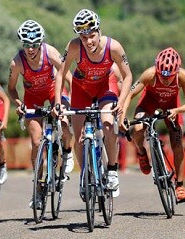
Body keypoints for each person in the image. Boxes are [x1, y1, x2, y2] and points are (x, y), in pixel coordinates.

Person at [54, 9, 133, 198]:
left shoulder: (114, 47)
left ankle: (112, 171)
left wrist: (121, 102)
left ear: (99, 31)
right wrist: (58, 102)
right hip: (82, 89)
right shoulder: (73, 47)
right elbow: (60, 73)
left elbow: (128, 75)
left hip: (106, 86)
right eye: (83, 38)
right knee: (79, 138)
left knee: (108, 124)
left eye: (92, 36)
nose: (88, 42)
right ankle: (85, 176)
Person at [7, 19, 74, 208]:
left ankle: (67, 152)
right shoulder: (17, 63)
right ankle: (37, 191)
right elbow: (11, 88)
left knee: (64, 121)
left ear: (40, 43)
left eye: (34, 44)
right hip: (32, 97)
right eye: (26, 45)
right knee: (36, 142)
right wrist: (19, 103)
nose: (30, 49)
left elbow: (68, 77)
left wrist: (66, 103)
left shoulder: (51, 53)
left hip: (55, 91)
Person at [122, 47, 185, 202]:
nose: (165, 79)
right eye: (162, 75)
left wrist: (177, 110)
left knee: (177, 141)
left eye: (169, 77)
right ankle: (142, 152)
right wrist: (122, 116)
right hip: (148, 103)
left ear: (177, 71)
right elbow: (130, 94)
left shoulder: (183, 77)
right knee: (138, 128)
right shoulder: (149, 74)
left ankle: (180, 185)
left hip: (172, 106)